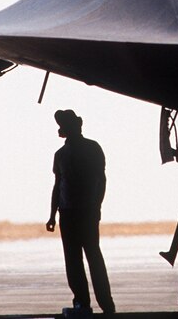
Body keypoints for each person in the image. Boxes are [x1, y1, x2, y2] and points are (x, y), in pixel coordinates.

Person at [46, 109, 114, 315]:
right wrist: (52, 214)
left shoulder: (90, 149)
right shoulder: (64, 154)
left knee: (88, 258)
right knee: (78, 259)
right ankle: (86, 303)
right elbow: (58, 185)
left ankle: (101, 303)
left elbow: (100, 180)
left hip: (82, 212)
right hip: (71, 213)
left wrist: (96, 206)